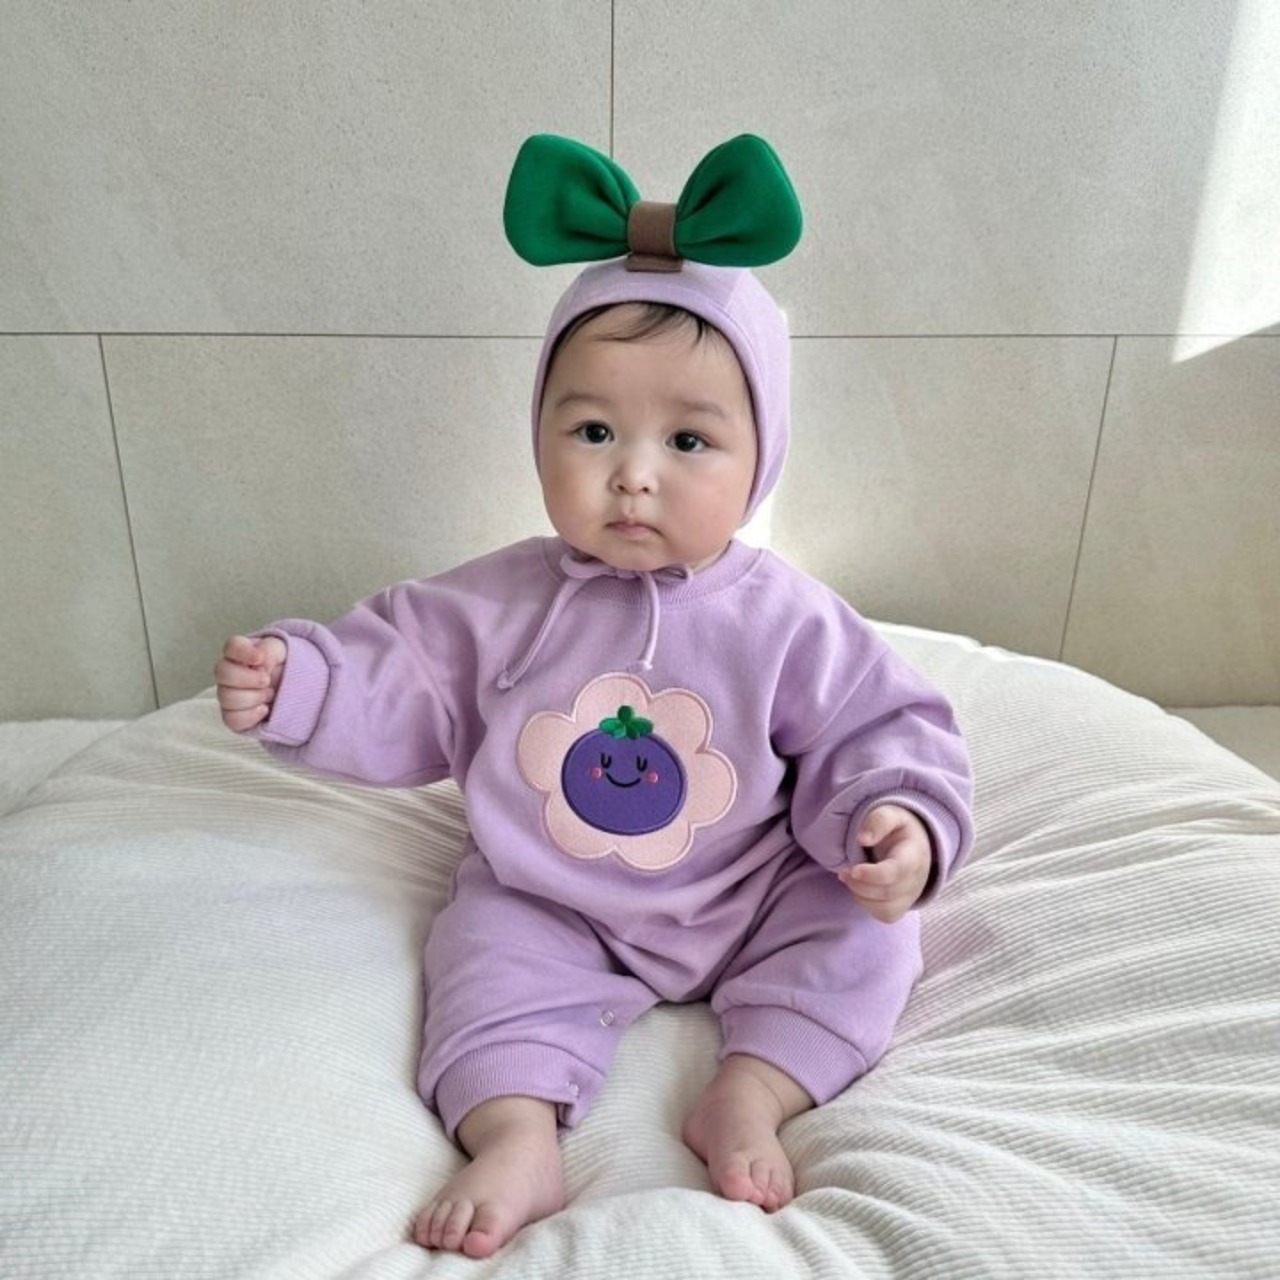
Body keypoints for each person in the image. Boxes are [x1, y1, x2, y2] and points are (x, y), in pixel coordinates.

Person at [214, 135, 973, 1260]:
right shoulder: (501, 601)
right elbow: (404, 666)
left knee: (866, 931)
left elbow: (878, 723)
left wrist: (894, 819)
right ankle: (515, 1132)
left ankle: (754, 1090)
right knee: (482, 951)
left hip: (749, 886)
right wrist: (306, 684)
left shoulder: (787, 619)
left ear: (760, 458)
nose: (633, 472)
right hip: (553, 894)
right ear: (539, 435)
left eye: (688, 438)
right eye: (592, 431)